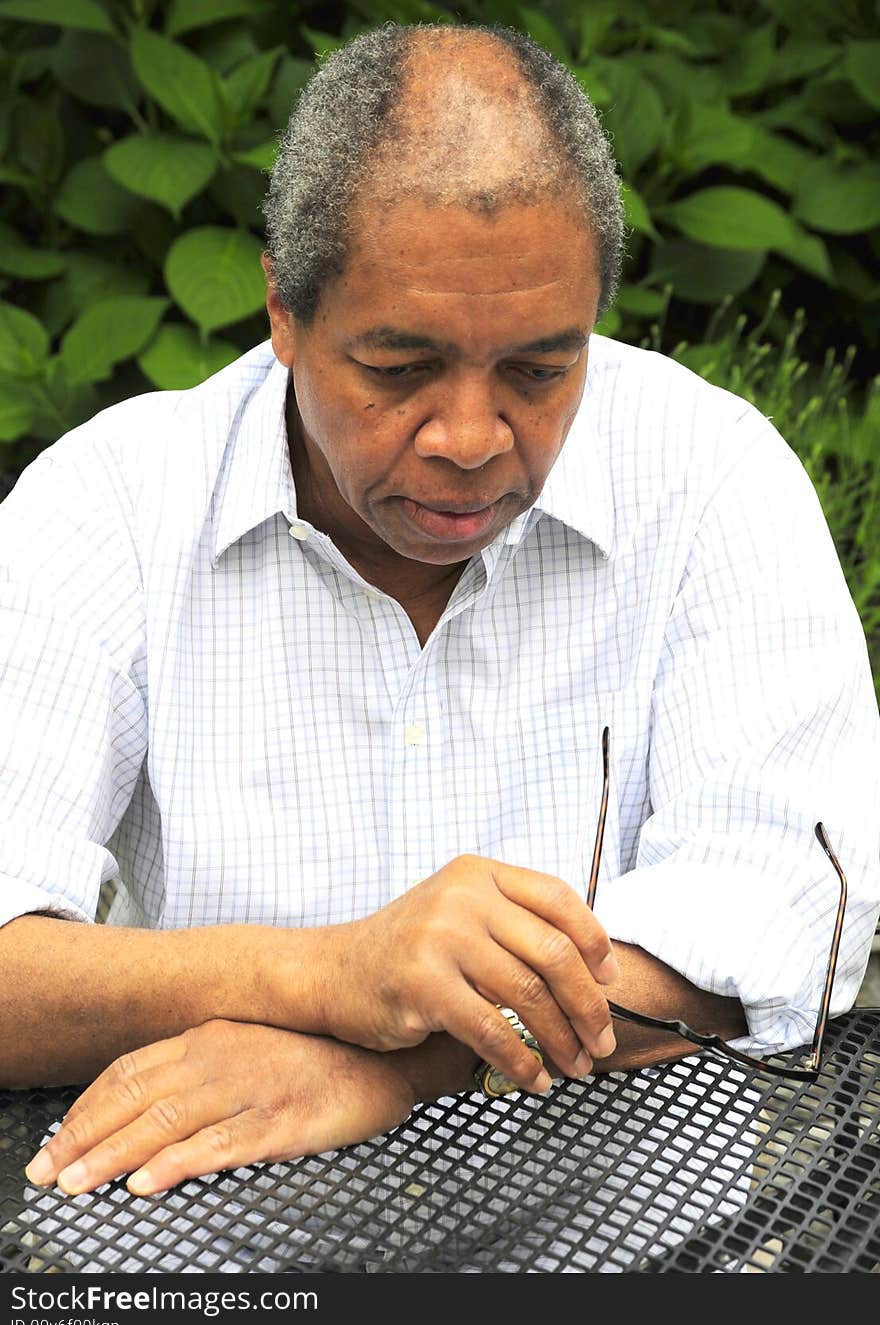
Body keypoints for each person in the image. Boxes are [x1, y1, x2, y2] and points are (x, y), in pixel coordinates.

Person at [2, 22, 878, 1204]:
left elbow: (792, 918)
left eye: (537, 368)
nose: (469, 440)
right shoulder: (110, 505)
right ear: (282, 312)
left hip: (631, 1271)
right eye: (399, 365)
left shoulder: (712, 476)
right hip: (218, 1273)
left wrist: (401, 1058)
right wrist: (334, 974)